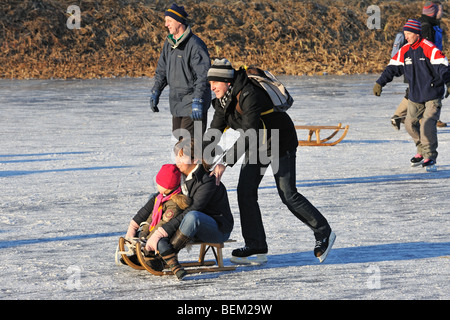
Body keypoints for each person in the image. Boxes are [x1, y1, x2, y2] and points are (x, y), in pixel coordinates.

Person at [205, 58, 335, 263]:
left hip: (279, 141)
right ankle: (256, 244)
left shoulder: (249, 94)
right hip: (259, 144)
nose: (211, 87)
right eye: (210, 82)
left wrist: (224, 162)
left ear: (227, 81)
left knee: (288, 193)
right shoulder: (223, 100)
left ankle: (323, 231)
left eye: (215, 82)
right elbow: (215, 130)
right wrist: (201, 156)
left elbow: (249, 133)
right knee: (245, 191)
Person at [144, 138, 234, 279]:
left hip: (216, 229)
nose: (177, 161)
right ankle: (146, 238)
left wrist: (162, 232)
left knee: (193, 216)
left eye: (181, 157)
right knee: (158, 197)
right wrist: (135, 224)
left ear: (195, 159)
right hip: (189, 226)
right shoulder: (181, 174)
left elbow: (193, 210)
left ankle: (164, 256)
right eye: (176, 157)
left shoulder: (208, 181)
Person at [374, 19, 450, 169]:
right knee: (409, 124)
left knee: (427, 125)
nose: (406, 36)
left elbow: (443, 66)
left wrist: (448, 82)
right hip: (415, 94)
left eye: (408, 34)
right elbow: (392, 68)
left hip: (432, 93)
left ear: (416, 33)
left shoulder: (429, 48)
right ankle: (421, 150)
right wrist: (380, 82)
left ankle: (430, 157)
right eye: (405, 34)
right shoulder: (405, 50)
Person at [149, 3, 211, 139]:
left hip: (192, 101)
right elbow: (162, 70)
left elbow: (203, 76)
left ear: (179, 22)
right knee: (179, 136)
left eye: (169, 21)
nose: (166, 24)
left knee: (188, 142)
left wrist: (198, 100)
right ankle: (196, 159)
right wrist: (156, 91)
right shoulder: (169, 44)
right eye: (166, 21)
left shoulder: (195, 45)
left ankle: (198, 159)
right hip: (176, 101)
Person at [390, 1, 447, 130]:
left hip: (428, 64)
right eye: (440, 10)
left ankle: (427, 117)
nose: (442, 12)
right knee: (419, 91)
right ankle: (402, 116)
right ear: (433, 11)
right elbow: (423, 48)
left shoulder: (431, 25)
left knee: (421, 90)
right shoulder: (426, 26)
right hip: (423, 65)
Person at [124, 164, 190, 241]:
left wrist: (147, 240)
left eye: (159, 184)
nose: (157, 186)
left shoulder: (174, 204)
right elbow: (151, 217)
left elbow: (162, 224)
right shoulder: (160, 198)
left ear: (167, 187)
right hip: (152, 233)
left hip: (162, 235)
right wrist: (143, 234)